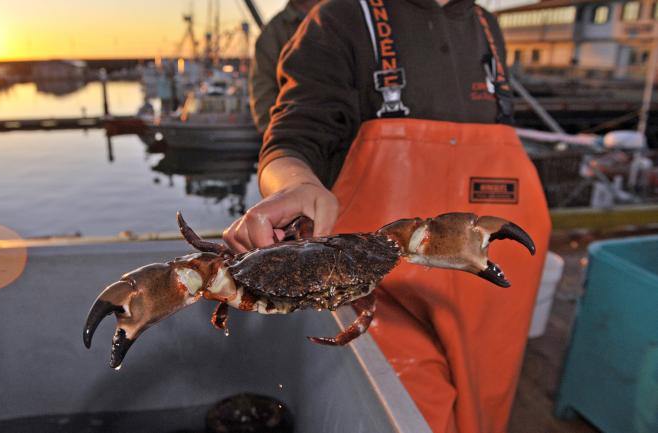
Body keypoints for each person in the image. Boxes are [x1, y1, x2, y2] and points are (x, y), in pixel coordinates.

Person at [225, 0, 552, 432]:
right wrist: (295, 184)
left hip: (490, 292)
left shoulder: (487, 27)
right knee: (409, 415)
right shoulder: (341, 17)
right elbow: (294, 134)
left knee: (485, 414)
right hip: (385, 290)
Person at [249, 0, 321, 133]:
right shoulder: (272, 35)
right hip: (300, 137)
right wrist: (283, 139)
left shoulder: (346, 18)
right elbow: (264, 100)